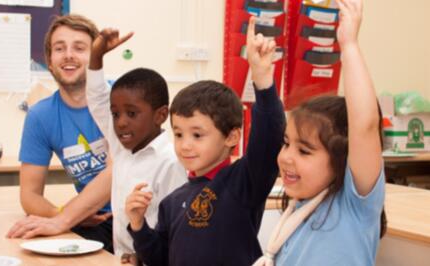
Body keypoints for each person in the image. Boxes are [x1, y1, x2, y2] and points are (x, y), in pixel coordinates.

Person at [124, 15, 285, 265]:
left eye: (197, 135)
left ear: (231, 136)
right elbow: (159, 260)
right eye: (178, 134)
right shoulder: (172, 201)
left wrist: (262, 79)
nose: (185, 144)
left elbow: (269, 138)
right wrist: (138, 224)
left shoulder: (242, 181)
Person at [253, 0, 387, 265]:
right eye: (286, 143)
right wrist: (261, 76)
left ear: (343, 158)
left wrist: (349, 45)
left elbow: (365, 125)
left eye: (304, 150)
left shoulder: (352, 206)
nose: (286, 157)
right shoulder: (297, 207)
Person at [8, 14, 128, 252]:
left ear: (95, 58)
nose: (69, 55)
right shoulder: (40, 116)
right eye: (59, 48)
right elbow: (29, 195)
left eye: (80, 48)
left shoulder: (122, 99)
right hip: (94, 221)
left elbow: (118, 170)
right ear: (50, 62)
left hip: (141, 216)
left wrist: (64, 219)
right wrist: (63, 214)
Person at [86, 29, 187, 261]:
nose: (121, 123)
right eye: (115, 114)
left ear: (161, 115)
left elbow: (174, 230)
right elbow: (97, 98)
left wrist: (142, 257)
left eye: (132, 113)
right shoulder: (123, 146)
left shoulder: (171, 162)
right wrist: (95, 58)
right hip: (121, 258)